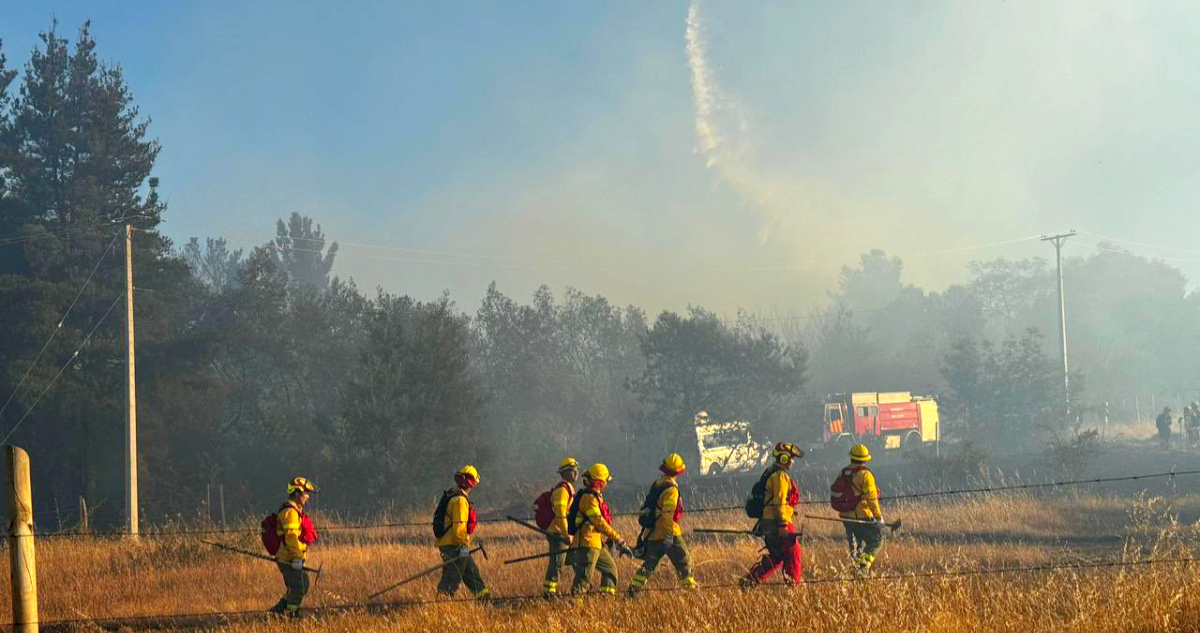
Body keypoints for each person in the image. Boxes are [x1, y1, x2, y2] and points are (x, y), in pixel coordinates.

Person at [628, 453, 698, 595]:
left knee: (649, 566)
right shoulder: (671, 489)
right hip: (668, 533)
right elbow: (668, 514)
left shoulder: (658, 483)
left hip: (653, 534)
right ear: (678, 471)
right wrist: (669, 535)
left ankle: (633, 591)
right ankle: (691, 592)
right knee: (684, 562)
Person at [743, 443, 804, 586]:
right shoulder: (780, 476)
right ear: (783, 458)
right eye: (791, 458)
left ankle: (749, 582)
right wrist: (783, 525)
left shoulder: (770, 472)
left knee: (776, 557)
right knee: (793, 554)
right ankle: (793, 586)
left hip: (769, 521)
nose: (793, 462)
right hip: (779, 523)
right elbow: (779, 502)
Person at [569, 463, 633, 595]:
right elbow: (599, 522)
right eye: (605, 481)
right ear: (599, 482)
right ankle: (574, 606)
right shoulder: (589, 498)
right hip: (588, 544)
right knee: (583, 579)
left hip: (596, 543)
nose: (606, 484)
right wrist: (619, 540)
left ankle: (606, 601)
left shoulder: (594, 496)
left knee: (610, 569)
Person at [434, 465, 491, 599]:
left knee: (472, 573)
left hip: (452, 543)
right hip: (454, 545)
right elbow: (459, 527)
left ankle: (485, 600)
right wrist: (461, 546)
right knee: (451, 578)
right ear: (472, 483)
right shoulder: (460, 500)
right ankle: (441, 604)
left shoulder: (453, 494)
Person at [831, 444, 884, 575]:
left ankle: (854, 572)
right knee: (876, 541)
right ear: (865, 459)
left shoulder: (843, 472)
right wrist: (878, 517)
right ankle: (862, 568)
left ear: (851, 458)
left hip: (846, 517)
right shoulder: (865, 475)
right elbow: (871, 499)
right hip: (862, 517)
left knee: (855, 547)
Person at [270, 477, 318, 617]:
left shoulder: (295, 510)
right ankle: (291, 616)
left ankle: (276, 613)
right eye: (306, 493)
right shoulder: (290, 512)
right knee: (297, 588)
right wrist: (297, 557)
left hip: (294, 558)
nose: (308, 497)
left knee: (303, 583)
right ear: (297, 493)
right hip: (289, 559)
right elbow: (291, 537)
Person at [542, 457, 579, 599]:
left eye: (576, 470)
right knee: (556, 564)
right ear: (565, 473)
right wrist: (566, 534)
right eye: (573, 470)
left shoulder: (568, 488)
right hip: (558, 533)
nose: (576, 473)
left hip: (563, 532)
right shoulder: (562, 490)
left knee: (571, 561)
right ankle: (549, 593)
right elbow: (561, 514)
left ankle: (582, 587)